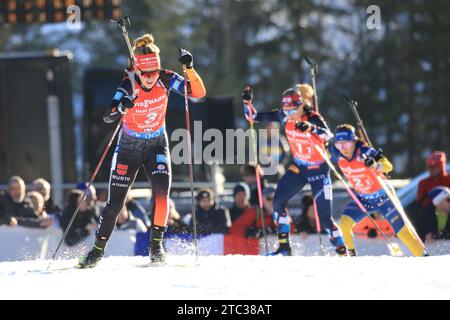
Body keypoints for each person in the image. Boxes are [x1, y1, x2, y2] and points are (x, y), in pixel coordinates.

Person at [78, 34, 206, 268]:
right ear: (137, 71)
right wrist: (122, 107)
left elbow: (196, 93)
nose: (150, 79)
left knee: (161, 195)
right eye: (146, 74)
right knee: (115, 204)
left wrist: (189, 69)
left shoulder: (166, 79)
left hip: (157, 144)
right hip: (129, 148)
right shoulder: (128, 84)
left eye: (154, 73)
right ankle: (96, 251)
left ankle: (156, 247)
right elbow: (108, 115)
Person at [242, 84, 346, 256]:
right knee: (277, 201)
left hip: (318, 169)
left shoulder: (312, 117)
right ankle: (284, 247)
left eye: (292, 111)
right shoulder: (283, 115)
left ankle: (343, 252)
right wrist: (247, 103)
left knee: (325, 218)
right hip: (299, 167)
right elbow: (253, 117)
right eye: (286, 110)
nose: (289, 115)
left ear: (301, 105)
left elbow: (328, 136)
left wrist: (310, 128)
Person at [330, 124, 426, 257]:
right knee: (345, 223)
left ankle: (423, 258)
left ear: (353, 141)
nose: (343, 149)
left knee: (403, 232)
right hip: (363, 198)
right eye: (339, 145)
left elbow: (389, 166)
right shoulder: (336, 153)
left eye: (345, 144)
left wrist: (376, 165)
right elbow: (322, 148)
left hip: (383, 196)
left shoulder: (365, 152)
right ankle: (349, 256)